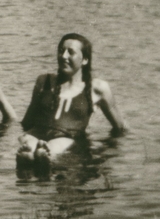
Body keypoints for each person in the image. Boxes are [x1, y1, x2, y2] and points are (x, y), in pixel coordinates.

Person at [16, 33, 126, 169]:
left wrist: (106, 153)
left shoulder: (97, 88)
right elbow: (27, 121)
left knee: (54, 146)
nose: (64, 56)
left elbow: (119, 126)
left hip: (66, 138)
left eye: (71, 52)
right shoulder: (44, 81)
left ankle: (40, 157)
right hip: (36, 134)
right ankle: (32, 155)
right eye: (61, 51)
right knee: (30, 143)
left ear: (85, 60)